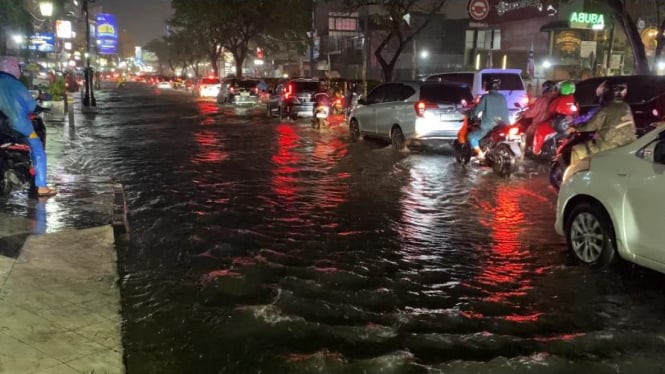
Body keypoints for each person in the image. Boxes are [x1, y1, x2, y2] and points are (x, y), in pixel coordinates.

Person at [0, 56, 57, 197]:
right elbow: (31, 106)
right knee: (37, 149)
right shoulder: (15, 85)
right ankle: (41, 187)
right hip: (19, 127)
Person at [568, 81, 637, 165]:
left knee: (577, 150)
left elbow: (589, 126)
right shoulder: (625, 106)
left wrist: (575, 128)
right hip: (627, 144)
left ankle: (575, 177)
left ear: (607, 94)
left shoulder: (606, 109)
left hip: (609, 146)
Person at [469, 78, 510, 159]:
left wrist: (470, 114)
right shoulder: (502, 97)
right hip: (504, 125)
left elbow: (477, 110)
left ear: (488, 86)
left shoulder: (486, 97)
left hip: (489, 126)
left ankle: (480, 154)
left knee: (471, 136)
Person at [523, 80, 558, 146]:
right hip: (553, 126)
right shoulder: (557, 98)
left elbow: (533, 112)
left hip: (539, 125)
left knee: (526, 136)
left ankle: (525, 152)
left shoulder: (542, 99)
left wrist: (524, 114)